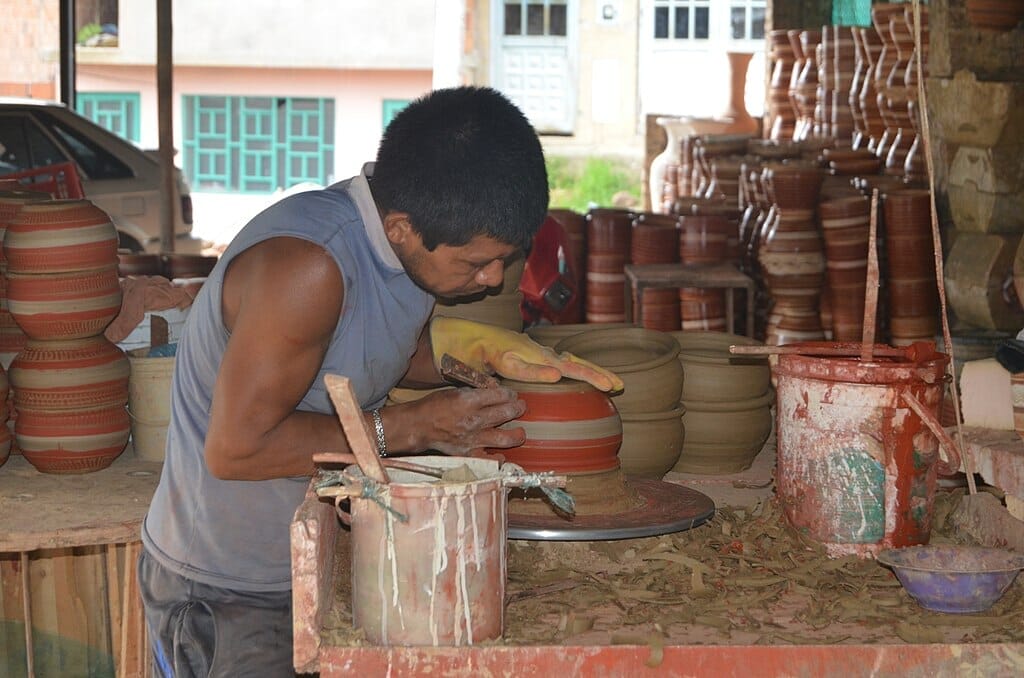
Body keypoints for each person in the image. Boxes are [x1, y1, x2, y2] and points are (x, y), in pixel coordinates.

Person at [138, 86, 623, 677]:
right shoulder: (308, 268)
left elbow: (386, 351)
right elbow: (238, 448)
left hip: (323, 558)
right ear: (400, 228)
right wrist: (414, 427)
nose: (495, 279)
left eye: (507, 257)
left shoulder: (415, 252)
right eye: (475, 263)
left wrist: (477, 352)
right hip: (229, 587)